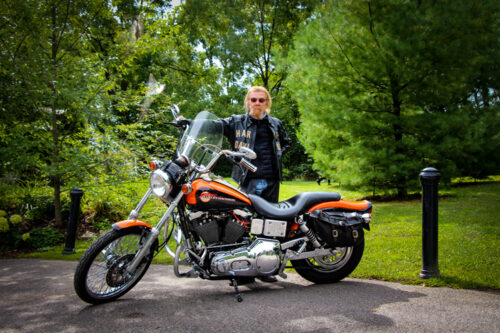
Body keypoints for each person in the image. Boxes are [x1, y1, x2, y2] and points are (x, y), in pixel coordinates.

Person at [221, 86, 291, 203]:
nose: (257, 103)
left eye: (261, 100)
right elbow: (215, 124)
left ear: (267, 103)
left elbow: (287, 143)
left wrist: (277, 155)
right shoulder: (236, 122)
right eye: (253, 100)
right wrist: (189, 122)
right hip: (248, 179)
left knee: (270, 217)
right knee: (246, 217)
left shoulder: (276, 123)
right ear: (248, 102)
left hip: (272, 181)